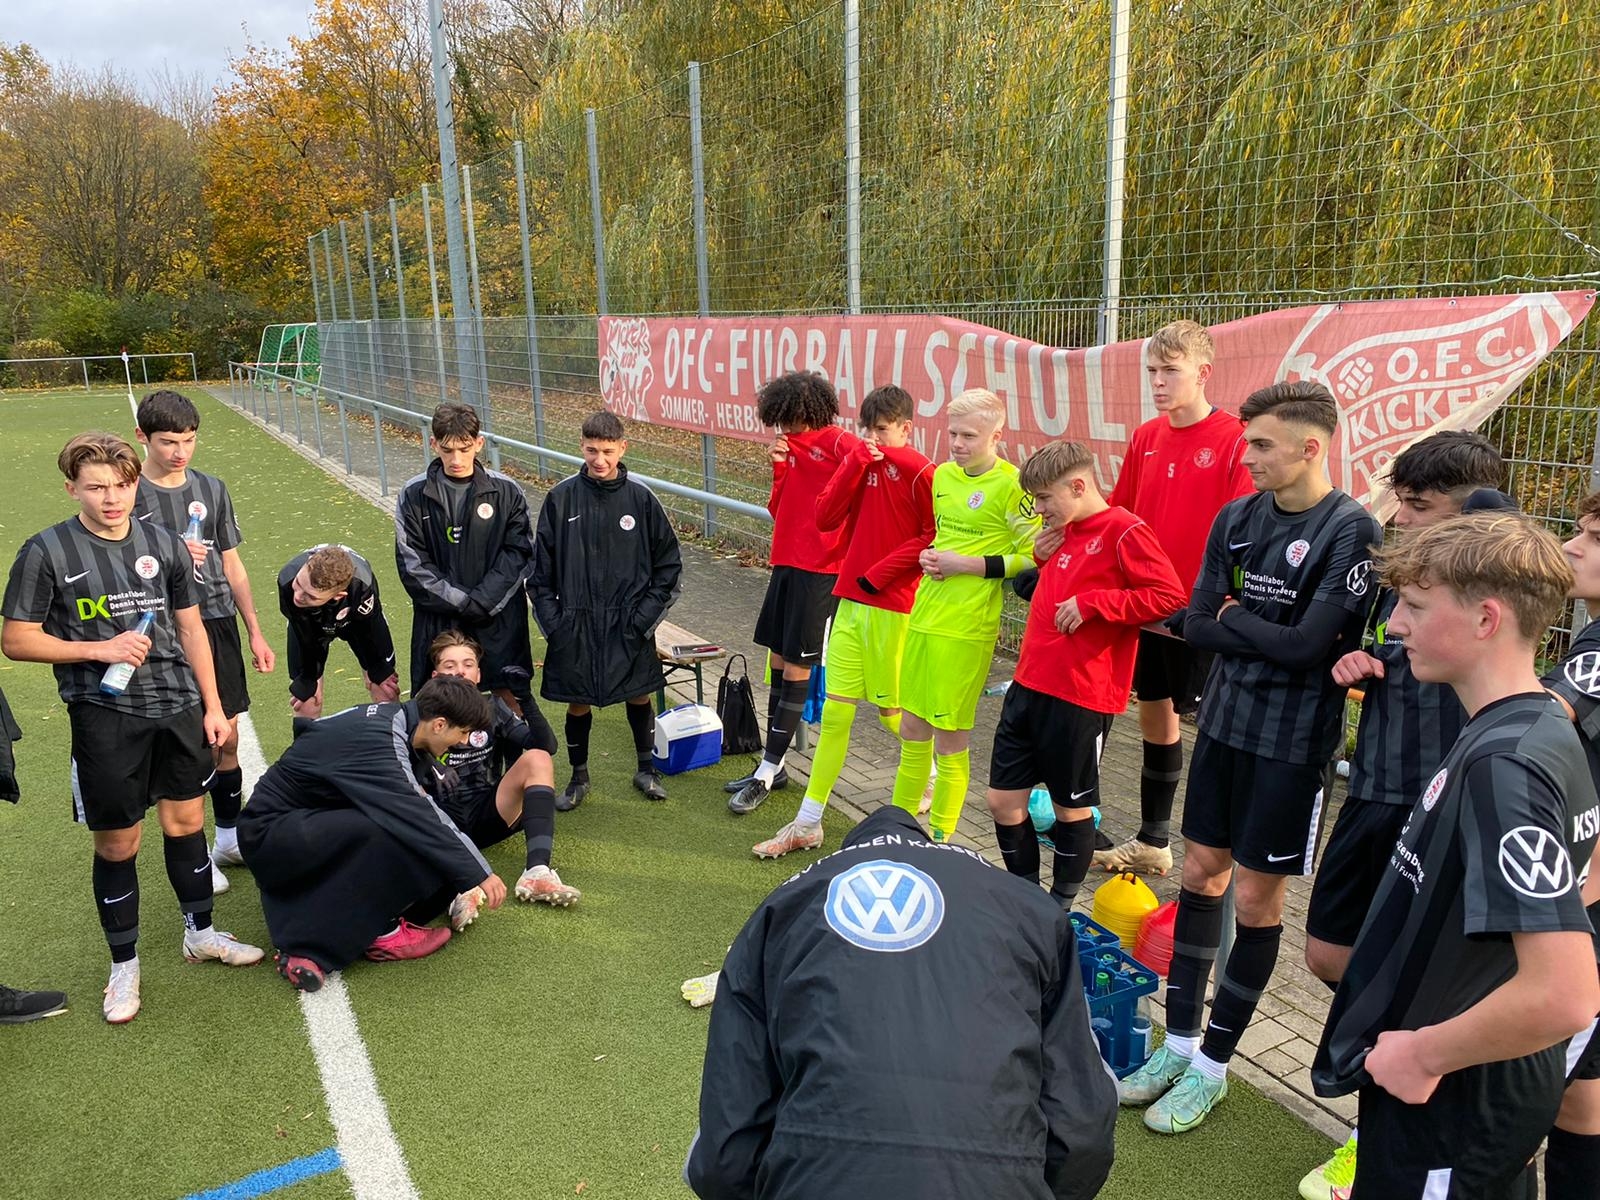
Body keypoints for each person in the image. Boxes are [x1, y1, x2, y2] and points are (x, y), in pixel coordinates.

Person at [1311, 513, 1600, 1198]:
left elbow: (1565, 994)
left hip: (1454, 1099)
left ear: (1486, 619)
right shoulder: (1524, 725)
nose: (1395, 626)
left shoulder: (1508, 764)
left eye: (1415, 606)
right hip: (1467, 1088)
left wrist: (1421, 1053)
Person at [1117, 381, 1380, 1132]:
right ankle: (1178, 1045)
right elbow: (1196, 624)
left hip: (1292, 746)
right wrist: (1254, 628)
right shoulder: (1235, 517)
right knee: (1200, 874)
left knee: (1258, 903)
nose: (1249, 456)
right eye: (1248, 442)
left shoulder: (1351, 530)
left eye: (1262, 444)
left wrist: (1240, 620)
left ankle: (1214, 1066)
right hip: (1226, 725)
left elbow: (1309, 648)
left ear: (1310, 447)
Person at [683, 805, 1117, 1200]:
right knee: (1102, 1077)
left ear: (852, 850)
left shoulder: (781, 905)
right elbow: (1081, 1129)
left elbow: (726, 1149)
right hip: (1000, 1182)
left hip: (815, 1182)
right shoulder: (1029, 906)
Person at [1296, 431, 1507, 1200]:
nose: (1403, 519)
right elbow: (1391, 653)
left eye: (1419, 505)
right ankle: (1399, 1062)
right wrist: (1364, 663)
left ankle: (1380, 1125)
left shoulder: (1494, 590)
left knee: (1417, 974)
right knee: (1329, 955)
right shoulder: (1406, 570)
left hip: (1439, 809)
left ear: (1475, 512)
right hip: (1375, 790)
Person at [1, 432, 264, 1024]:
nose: (111, 498)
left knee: (186, 823)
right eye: (96, 487)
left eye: (121, 486)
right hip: (105, 717)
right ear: (72, 488)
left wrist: (213, 705)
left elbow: (191, 628)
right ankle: (124, 965)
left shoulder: (164, 544)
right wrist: (99, 648)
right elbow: (16, 639)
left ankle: (201, 934)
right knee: (119, 843)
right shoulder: (46, 551)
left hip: (177, 706)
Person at [987, 441, 1184, 908]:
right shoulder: (1062, 531)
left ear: (1078, 486)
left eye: (1044, 498)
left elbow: (1169, 596)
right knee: (1002, 802)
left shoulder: (1124, 530)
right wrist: (1040, 558)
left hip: (1080, 696)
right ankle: (1027, 901)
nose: (1039, 510)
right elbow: (1061, 580)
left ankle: (1058, 908)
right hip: (1028, 685)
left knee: (1070, 810)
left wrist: (1095, 603)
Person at [1093, 321, 1251, 876]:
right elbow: (1121, 512)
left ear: (1203, 373)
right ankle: (1153, 840)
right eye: (1152, 371)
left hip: (1198, 615)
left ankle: (1214, 868)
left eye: (1170, 371)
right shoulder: (1146, 436)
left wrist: (1211, 604)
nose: (1158, 382)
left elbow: (1242, 532)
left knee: (1213, 733)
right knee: (1155, 718)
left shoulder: (1235, 439)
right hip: (1147, 608)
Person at [752, 385, 935, 859]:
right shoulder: (859, 460)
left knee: (893, 716)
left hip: (892, 607)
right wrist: (852, 464)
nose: (872, 438)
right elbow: (825, 515)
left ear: (906, 428)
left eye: (882, 429)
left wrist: (880, 574)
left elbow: (933, 535)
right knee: (836, 715)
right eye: (867, 429)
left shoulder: (922, 471)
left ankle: (926, 795)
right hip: (849, 601)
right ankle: (807, 822)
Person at [240, 675, 507, 990]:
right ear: (438, 724)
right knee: (392, 831)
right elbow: (422, 818)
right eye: (462, 733)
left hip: (300, 824)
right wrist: (481, 873)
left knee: (405, 835)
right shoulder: (382, 744)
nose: (462, 742)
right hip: (269, 834)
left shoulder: (392, 719)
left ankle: (375, 923)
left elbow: (310, 734)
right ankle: (309, 948)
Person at [132, 390, 277, 896]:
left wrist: (253, 628)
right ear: (142, 437)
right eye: (168, 442)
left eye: (189, 440)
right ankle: (193, 853)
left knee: (227, 737)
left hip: (216, 622)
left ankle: (229, 838)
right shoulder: (128, 493)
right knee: (190, 744)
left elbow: (231, 563)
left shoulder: (212, 489)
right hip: (161, 628)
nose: (180, 452)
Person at [883, 387, 1040, 842]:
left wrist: (967, 565)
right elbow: (942, 539)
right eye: (953, 433)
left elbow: (1032, 558)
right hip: (925, 615)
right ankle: (898, 831)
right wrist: (932, 555)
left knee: (949, 737)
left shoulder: (1013, 485)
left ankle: (941, 840)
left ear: (996, 436)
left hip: (967, 628)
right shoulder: (943, 477)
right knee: (912, 727)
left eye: (968, 435)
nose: (957, 443)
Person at [529, 411, 683, 808]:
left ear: (623, 448)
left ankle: (646, 769)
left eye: (608, 451)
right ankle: (578, 778)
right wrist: (556, 626)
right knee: (577, 699)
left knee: (639, 695)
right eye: (592, 450)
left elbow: (669, 568)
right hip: (575, 624)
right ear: (581, 446)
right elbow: (539, 574)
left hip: (628, 624)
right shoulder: (561, 498)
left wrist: (641, 621)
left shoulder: (642, 499)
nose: (600, 459)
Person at [727, 372, 862, 816]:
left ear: (810, 412)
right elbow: (777, 509)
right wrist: (781, 467)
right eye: (778, 420)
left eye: (790, 418)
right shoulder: (789, 446)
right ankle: (776, 764)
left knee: (799, 666)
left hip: (822, 571)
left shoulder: (837, 441)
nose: (784, 427)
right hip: (786, 563)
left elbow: (865, 463)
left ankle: (767, 771)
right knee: (779, 661)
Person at [395, 403, 536, 714]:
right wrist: (462, 601)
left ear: (479, 443)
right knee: (438, 705)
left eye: (464, 448)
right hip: (440, 617)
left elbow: (520, 552)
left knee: (510, 698)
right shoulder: (413, 494)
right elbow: (412, 564)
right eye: (447, 450)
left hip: (498, 616)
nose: (456, 459)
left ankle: (514, 747)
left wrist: (483, 601)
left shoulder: (507, 491)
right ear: (433, 444)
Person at [1539, 490, 1600, 1200]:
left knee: (1527, 1090)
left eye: (1595, 537)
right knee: (1580, 1098)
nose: (1573, 546)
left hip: (1580, 909)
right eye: (1578, 530)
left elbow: (1537, 720)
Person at [426, 630, 580, 907]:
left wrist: (525, 699)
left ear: (478, 674)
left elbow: (546, 745)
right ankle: (458, 893)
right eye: (450, 666)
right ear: (435, 676)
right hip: (441, 824)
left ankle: (536, 872)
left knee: (537, 758)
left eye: (468, 664)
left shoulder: (492, 706)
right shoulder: (420, 713)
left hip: (490, 814)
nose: (460, 671)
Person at [276, 544, 399, 717]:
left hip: (359, 623)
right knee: (307, 700)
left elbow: (367, 633)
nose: (297, 596)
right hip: (309, 627)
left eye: (310, 596)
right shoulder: (287, 580)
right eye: (299, 584)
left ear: (338, 595)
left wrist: (377, 668)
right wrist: (309, 677)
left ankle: (392, 733)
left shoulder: (362, 587)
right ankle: (308, 735)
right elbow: (306, 638)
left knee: (385, 688)